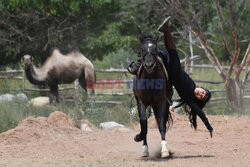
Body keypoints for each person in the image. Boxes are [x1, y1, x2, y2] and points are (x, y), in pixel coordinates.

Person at [127, 16, 213, 137]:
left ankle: (165, 30)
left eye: (201, 96)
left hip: (175, 73)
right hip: (175, 72)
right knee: (168, 54)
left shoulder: (190, 100)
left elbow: (200, 114)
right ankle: (143, 59)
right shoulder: (193, 86)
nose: (199, 93)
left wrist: (209, 126)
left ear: (198, 100)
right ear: (202, 88)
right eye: (202, 92)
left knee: (172, 51)